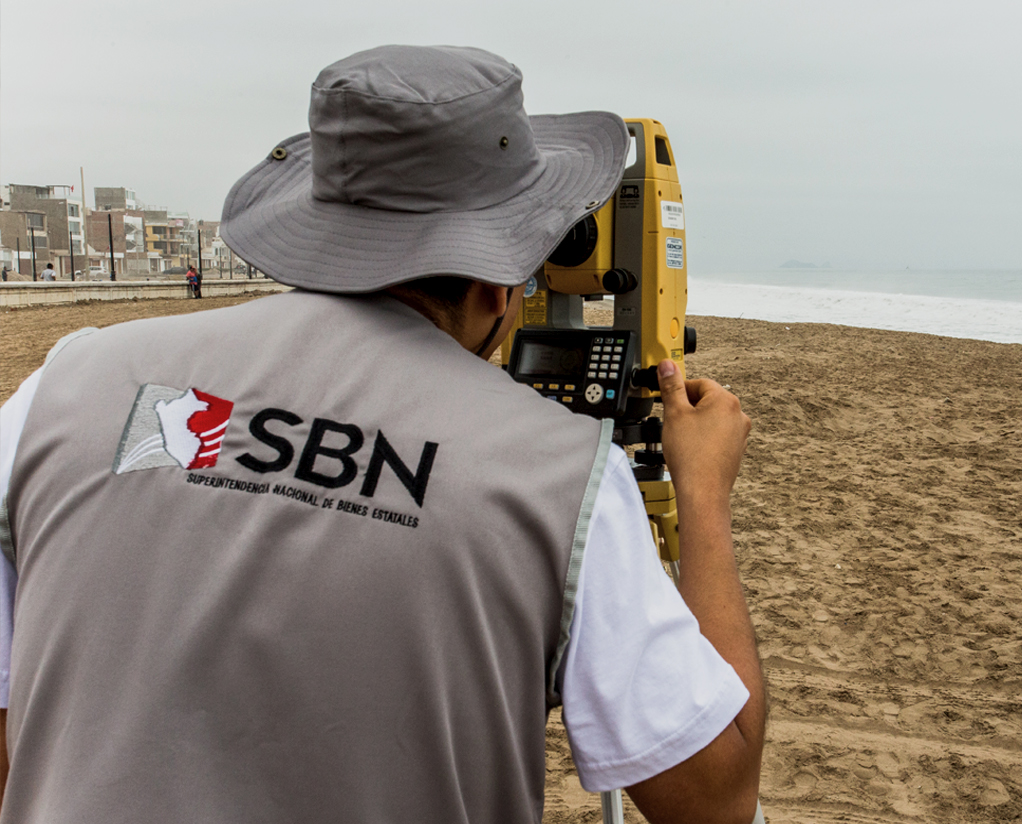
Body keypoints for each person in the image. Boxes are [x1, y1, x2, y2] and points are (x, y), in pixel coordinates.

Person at [0, 46, 764, 823]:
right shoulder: (563, 478)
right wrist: (700, 497)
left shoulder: (58, 389)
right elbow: (719, 799)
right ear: (504, 273)